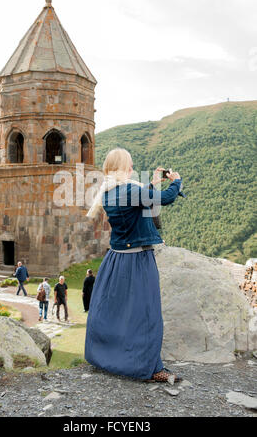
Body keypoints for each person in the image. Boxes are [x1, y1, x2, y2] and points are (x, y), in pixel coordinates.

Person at [85, 148, 183, 383]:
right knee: (146, 314)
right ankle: (151, 368)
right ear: (121, 167)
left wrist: (151, 184)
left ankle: (106, 357)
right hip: (138, 259)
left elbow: (137, 200)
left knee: (113, 312)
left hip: (116, 259)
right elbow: (165, 199)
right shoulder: (129, 190)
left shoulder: (107, 192)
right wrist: (176, 182)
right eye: (129, 165)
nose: (131, 169)